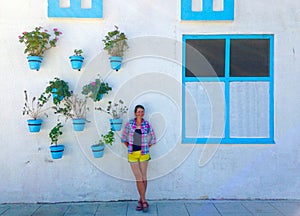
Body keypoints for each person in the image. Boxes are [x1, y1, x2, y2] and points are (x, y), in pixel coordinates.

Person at [121, 105, 156, 212]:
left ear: (143, 113)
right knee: (138, 177)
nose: (140, 113)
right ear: (135, 113)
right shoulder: (130, 124)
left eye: (142, 111)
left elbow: (153, 138)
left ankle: (142, 201)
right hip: (132, 153)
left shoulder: (147, 124)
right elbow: (124, 137)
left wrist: (146, 146)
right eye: (138, 111)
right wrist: (129, 147)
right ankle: (143, 200)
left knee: (144, 176)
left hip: (144, 153)